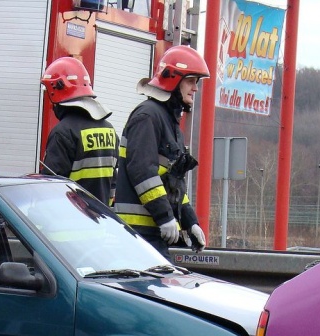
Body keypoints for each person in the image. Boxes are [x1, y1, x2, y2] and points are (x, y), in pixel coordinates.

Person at [113, 45, 209, 257]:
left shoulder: (168, 121)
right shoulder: (148, 117)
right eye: (191, 81)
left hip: (154, 233)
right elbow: (143, 172)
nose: (196, 88)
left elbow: (172, 183)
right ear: (173, 79)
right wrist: (165, 217)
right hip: (138, 235)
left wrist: (190, 221)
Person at [40, 57, 118, 206]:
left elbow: (50, 186)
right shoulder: (109, 129)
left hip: (70, 217)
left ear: (56, 90)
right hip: (101, 217)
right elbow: (113, 181)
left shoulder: (63, 132)